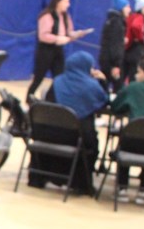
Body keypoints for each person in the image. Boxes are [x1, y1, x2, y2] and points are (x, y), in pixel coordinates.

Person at [30, 51, 108, 194]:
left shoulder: (57, 81)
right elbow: (103, 102)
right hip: (75, 137)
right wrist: (102, 82)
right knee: (91, 143)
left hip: (48, 134)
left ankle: (40, 177)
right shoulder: (92, 86)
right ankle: (81, 183)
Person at [109, 57, 144, 204]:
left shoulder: (133, 88)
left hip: (131, 143)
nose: (135, 75)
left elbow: (115, 107)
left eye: (138, 72)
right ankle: (143, 190)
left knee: (131, 137)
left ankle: (122, 188)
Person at [25, 0, 92, 101]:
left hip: (58, 50)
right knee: (39, 77)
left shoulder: (66, 16)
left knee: (59, 77)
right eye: (66, 1)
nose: (68, 4)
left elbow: (68, 32)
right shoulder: (47, 15)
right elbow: (43, 35)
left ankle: (54, 98)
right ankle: (29, 97)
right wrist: (57, 39)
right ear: (58, 2)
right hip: (45, 50)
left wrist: (77, 34)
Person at [98, 0, 130, 93]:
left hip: (105, 59)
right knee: (118, 88)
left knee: (104, 85)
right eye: (127, 7)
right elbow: (115, 45)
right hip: (112, 61)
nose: (129, 9)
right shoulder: (117, 23)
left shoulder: (110, 21)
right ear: (121, 8)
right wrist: (116, 64)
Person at [123, 0, 144, 83]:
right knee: (133, 75)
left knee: (124, 74)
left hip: (127, 49)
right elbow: (136, 27)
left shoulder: (131, 16)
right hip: (135, 51)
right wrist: (141, 38)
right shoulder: (140, 17)